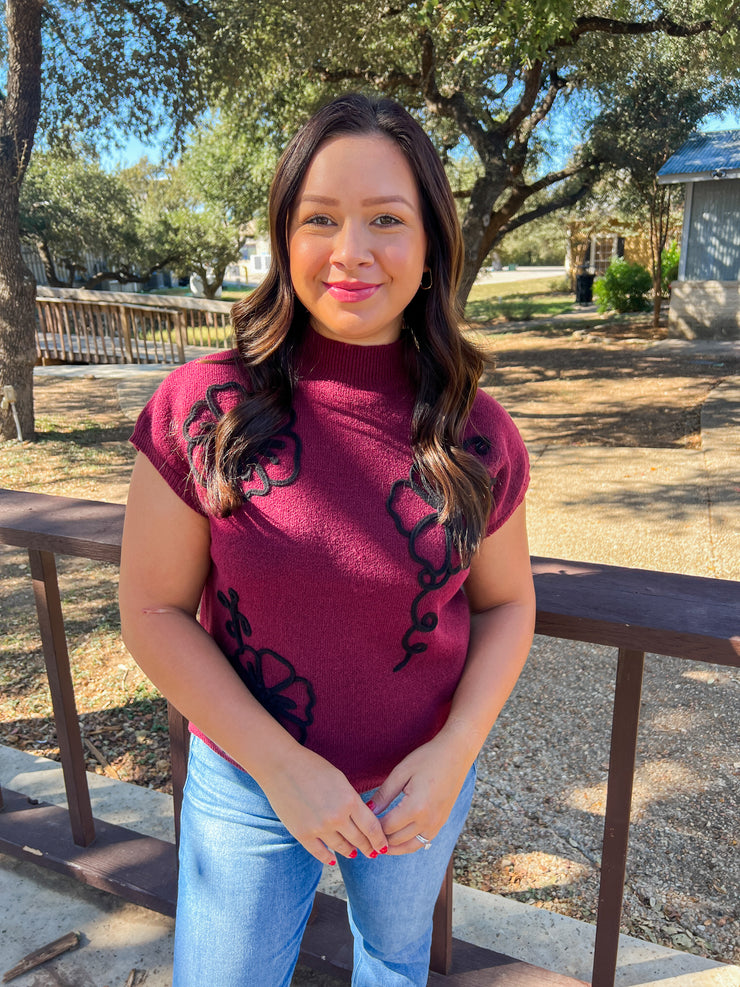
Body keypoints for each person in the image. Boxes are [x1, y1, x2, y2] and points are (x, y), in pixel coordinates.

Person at [119, 92, 536, 987]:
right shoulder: (205, 405)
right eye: (320, 218)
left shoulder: (478, 432)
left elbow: (506, 603)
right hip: (247, 783)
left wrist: (455, 750)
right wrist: (282, 769)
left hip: (415, 782)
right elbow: (152, 607)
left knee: (392, 959)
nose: (351, 251)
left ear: (430, 248)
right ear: (285, 236)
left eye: (386, 218)